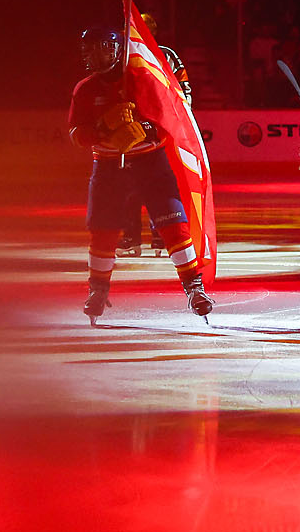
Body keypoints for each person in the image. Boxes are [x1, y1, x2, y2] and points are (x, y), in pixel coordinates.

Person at [69, 27, 212, 323]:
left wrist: (143, 130)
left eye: (101, 48)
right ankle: (98, 289)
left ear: (118, 49)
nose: (94, 56)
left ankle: (194, 287)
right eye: (90, 50)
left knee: (174, 225)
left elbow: (171, 119)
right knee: (103, 231)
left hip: (150, 162)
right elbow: (75, 133)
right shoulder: (85, 89)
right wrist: (103, 129)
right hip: (109, 167)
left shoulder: (144, 81)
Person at [119, 11, 191, 257]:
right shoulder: (123, 55)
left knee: (159, 185)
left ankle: (161, 237)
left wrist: (182, 119)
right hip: (131, 130)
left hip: (161, 129)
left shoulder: (166, 55)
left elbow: (184, 88)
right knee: (129, 188)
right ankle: (131, 238)